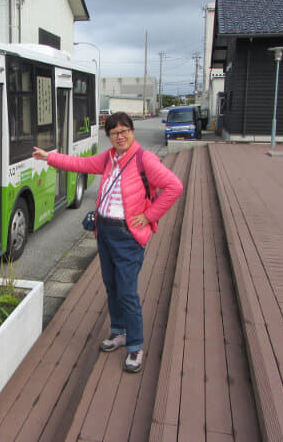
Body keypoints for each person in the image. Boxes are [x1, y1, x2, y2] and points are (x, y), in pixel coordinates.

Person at [32, 112, 183, 373]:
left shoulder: (144, 159)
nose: (120, 136)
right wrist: (50, 158)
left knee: (127, 292)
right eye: (114, 133)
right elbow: (80, 164)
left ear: (132, 132)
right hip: (105, 233)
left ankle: (135, 346)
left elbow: (174, 186)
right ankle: (118, 332)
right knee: (112, 286)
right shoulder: (109, 158)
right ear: (109, 137)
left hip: (128, 237)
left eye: (124, 131)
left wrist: (149, 216)